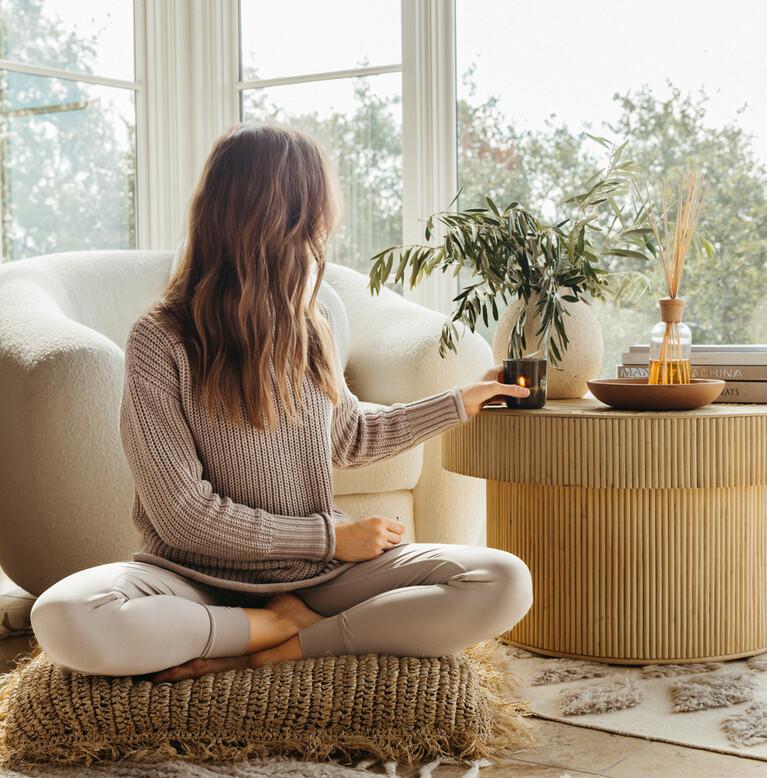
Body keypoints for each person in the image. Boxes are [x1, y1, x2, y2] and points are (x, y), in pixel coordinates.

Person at [30, 123, 533, 682]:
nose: (325, 231)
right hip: (192, 577)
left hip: (318, 578)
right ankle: (266, 625)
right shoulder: (161, 338)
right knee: (64, 617)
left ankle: (281, 645)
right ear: (276, 219)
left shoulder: (309, 324)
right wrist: (329, 537)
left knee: (504, 581)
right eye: (316, 216)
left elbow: (348, 437)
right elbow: (182, 517)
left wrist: (459, 402)